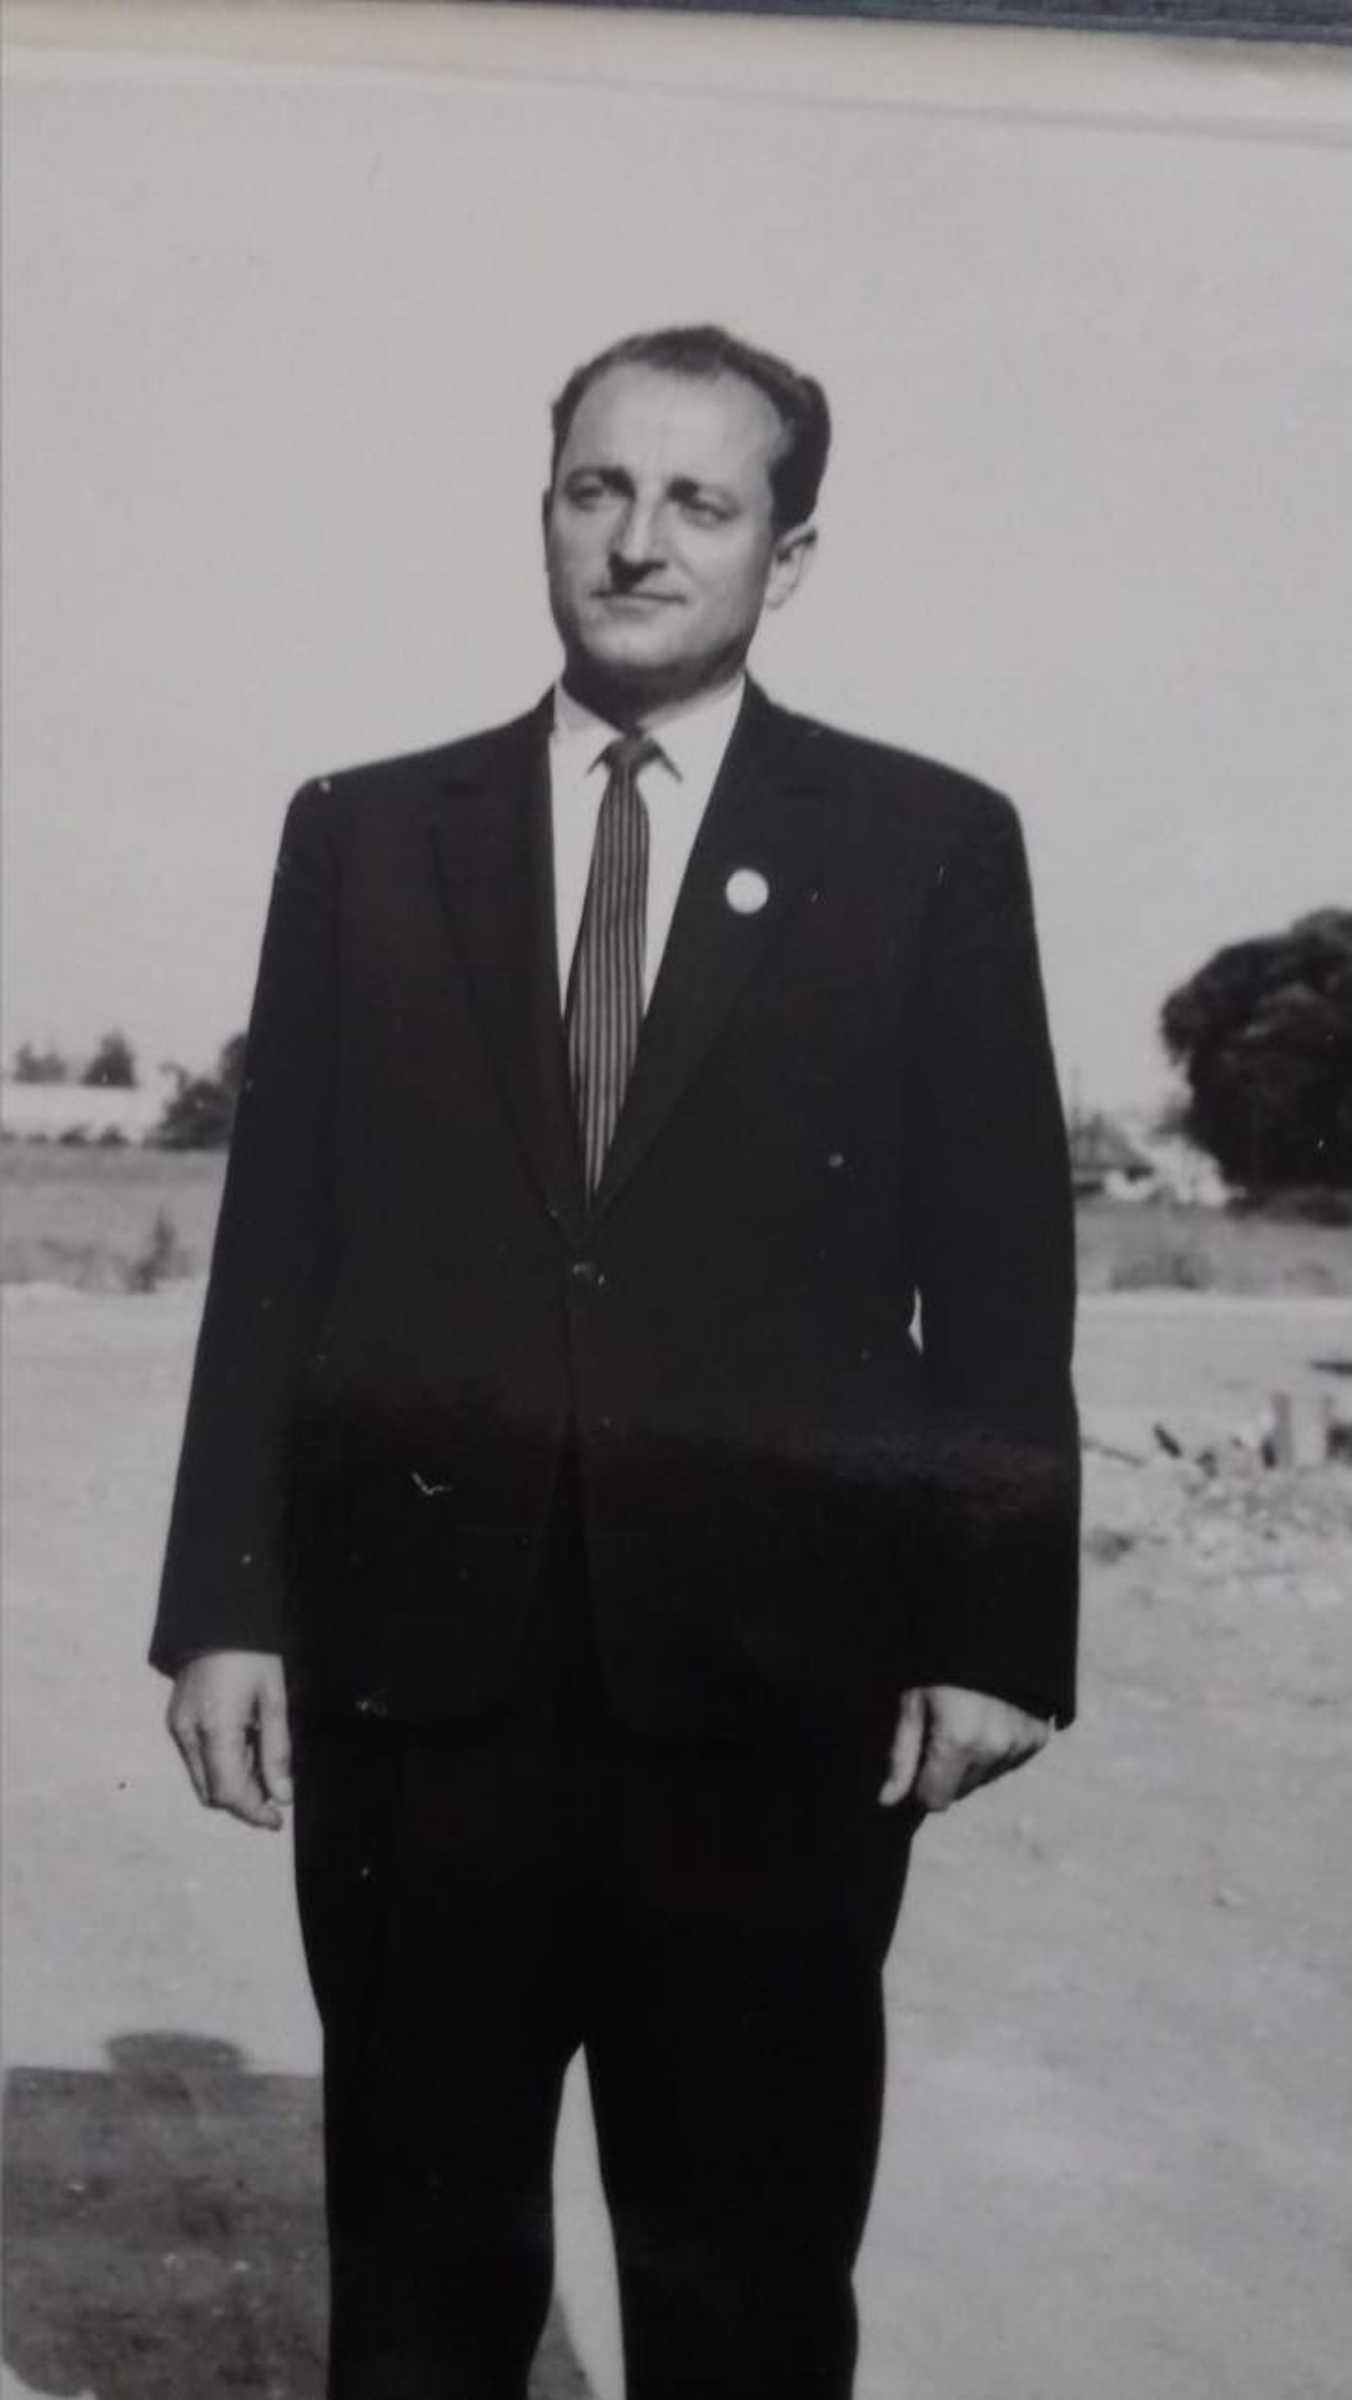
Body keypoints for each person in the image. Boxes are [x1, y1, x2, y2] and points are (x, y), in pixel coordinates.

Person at [152, 324, 1079, 2400]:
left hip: (770, 1697)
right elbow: (275, 1248)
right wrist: (223, 1604)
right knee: (420, 2282)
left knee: (746, 2284)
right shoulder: (366, 833)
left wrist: (999, 1630)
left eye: (698, 501)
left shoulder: (926, 842)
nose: (638, 540)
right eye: (599, 488)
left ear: (787, 553)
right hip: (422, 1692)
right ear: (546, 511)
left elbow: (1000, 1270)